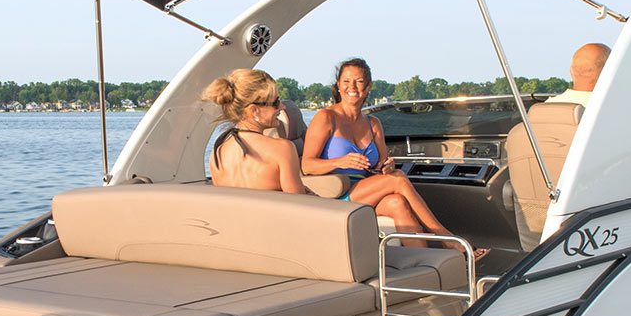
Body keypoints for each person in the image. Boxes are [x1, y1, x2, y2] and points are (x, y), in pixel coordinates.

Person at [301, 58, 476, 246]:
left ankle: (422, 261)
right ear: (338, 85)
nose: (352, 87)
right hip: (336, 195)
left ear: (368, 87)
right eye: (346, 81)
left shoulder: (373, 123)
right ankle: (447, 238)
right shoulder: (326, 117)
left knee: (397, 203)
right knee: (398, 179)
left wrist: (387, 166)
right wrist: (339, 162)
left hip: (366, 191)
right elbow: (307, 165)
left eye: (359, 81)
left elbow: (383, 166)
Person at [545, 42, 631, 185]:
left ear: (571, 71)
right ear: (610, 71)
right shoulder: (612, 116)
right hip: (603, 196)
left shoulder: (546, 108)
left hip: (549, 195)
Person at [203, 69, 310, 194]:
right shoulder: (283, 149)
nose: (282, 106)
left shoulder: (217, 153)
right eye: (275, 103)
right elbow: (298, 203)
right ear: (254, 111)